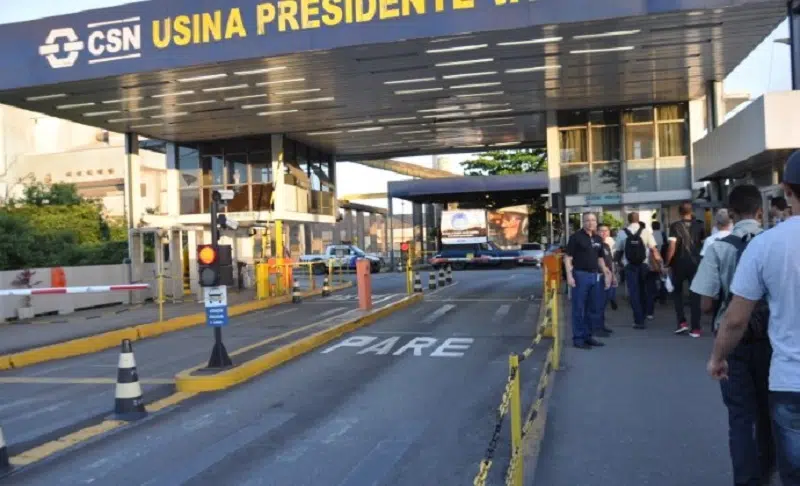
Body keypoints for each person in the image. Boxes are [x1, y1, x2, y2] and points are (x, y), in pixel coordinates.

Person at [707, 150, 800, 485]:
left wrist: (718, 357)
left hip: (791, 381)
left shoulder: (766, 245)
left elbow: (735, 319)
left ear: (786, 191)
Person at [692, 185, 774, 485]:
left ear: (731, 213)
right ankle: (769, 472)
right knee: (769, 411)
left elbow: (705, 302)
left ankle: (746, 479)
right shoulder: (774, 243)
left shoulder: (718, 248)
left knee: (740, 416)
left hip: (733, 342)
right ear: (759, 211)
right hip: (771, 339)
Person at [564, 213, 612, 349]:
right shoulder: (576, 237)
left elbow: (600, 258)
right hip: (580, 275)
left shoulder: (598, 238)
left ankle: (588, 336)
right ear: (583, 222)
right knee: (579, 308)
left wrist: (606, 273)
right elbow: (568, 258)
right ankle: (578, 339)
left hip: (595, 276)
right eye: (587, 220)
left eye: (593, 220)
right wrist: (569, 276)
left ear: (596, 222)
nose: (590, 223)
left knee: (593, 308)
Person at [615, 213, 662, 329]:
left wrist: (618, 264)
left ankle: (638, 320)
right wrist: (660, 263)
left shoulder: (622, 233)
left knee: (634, 293)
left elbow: (618, 250)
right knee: (644, 291)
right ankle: (645, 313)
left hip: (629, 266)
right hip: (643, 265)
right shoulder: (646, 232)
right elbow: (653, 248)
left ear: (628, 220)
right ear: (638, 220)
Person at [666, 202, 706, 337]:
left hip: (679, 263)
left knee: (677, 293)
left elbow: (672, 246)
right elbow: (703, 245)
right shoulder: (700, 225)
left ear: (679, 212)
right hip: (695, 264)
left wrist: (667, 262)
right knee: (695, 295)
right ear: (691, 211)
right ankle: (696, 328)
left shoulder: (675, 226)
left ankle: (682, 323)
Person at [599, 224, 619, 311]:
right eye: (601, 231)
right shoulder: (595, 243)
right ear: (597, 232)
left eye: (606, 231)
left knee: (611, 286)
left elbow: (611, 259)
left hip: (609, 269)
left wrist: (613, 273)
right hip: (599, 273)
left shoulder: (609, 243)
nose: (604, 233)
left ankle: (611, 299)